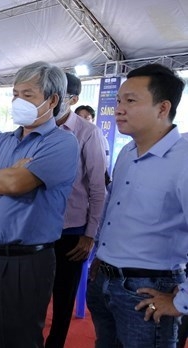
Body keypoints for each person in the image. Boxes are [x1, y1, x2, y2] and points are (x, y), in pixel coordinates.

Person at [0, 61, 78, 347]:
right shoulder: (1, 141)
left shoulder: (61, 143)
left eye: (28, 95)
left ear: (52, 100)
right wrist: (3, 178)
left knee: (19, 340)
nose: (18, 101)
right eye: (15, 94)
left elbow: (16, 185)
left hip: (25, 262)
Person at [86, 63, 188, 347]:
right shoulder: (128, 152)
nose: (118, 109)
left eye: (130, 101)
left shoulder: (184, 160)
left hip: (149, 290)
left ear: (162, 108)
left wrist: (181, 302)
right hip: (106, 282)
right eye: (118, 100)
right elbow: (113, 209)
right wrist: (100, 253)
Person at [45, 73, 107, 348]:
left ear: (73, 99)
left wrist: (89, 234)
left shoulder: (87, 132)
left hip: (71, 230)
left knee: (63, 296)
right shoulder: (39, 126)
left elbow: (97, 188)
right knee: (33, 294)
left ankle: (55, 343)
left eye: (60, 94)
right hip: (38, 229)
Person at [76, 104, 111, 169]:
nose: (83, 121)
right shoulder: (70, 136)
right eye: (80, 117)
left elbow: (105, 162)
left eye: (87, 118)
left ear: (93, 120)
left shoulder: (100, 138)